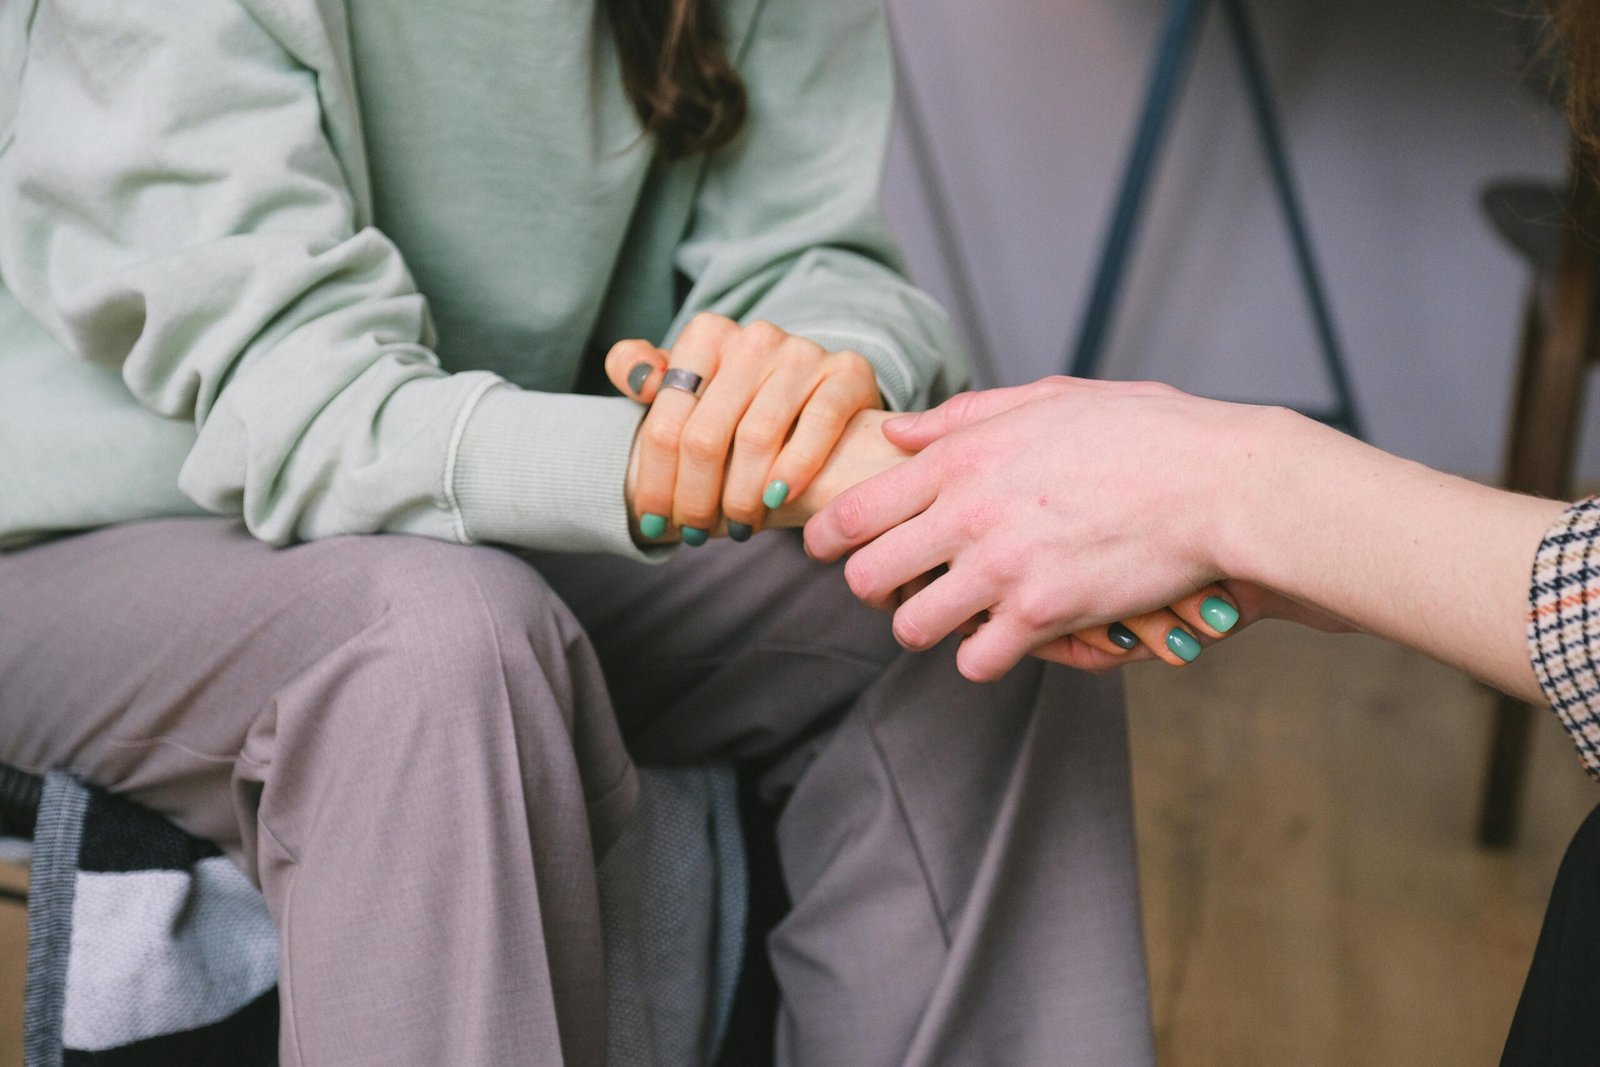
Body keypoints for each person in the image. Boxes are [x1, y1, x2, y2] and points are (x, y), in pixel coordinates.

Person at [0, 1, 1153, 1064]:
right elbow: (303, 406)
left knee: (964, 573)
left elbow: (813, 253)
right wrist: (687, 463)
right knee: (439, 646)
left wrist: (813, 391)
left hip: (485, 516)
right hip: (87, 545)